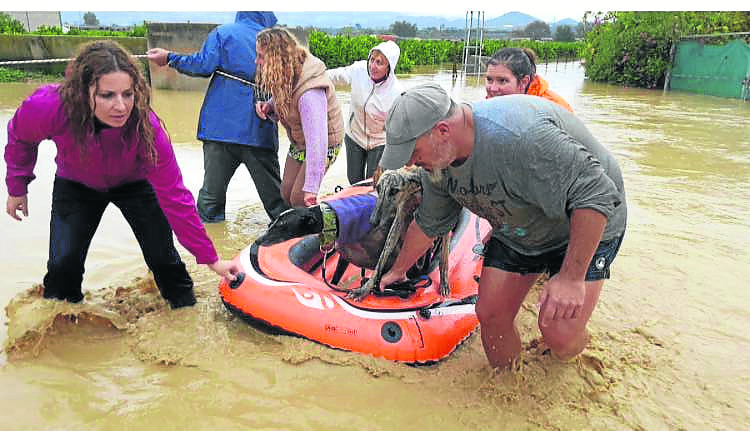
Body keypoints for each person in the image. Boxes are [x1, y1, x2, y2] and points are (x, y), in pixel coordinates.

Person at [377, 83, 627, 369]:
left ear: (443, 131)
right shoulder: (437, 165)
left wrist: (570, 279)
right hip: (519, 225)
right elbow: (430, 223)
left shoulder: (521, 136)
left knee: (559, 334)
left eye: (413, 151)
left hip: (585, 220)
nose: (410, 162)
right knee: (491, 314)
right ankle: (508, 390)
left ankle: (574, 364)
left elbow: (597, 194)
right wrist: (396, 270)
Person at [4, 40, 239, 309]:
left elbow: (175, 197)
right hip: (77, 184)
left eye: (128, 94)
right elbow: (20, 138)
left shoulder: (147, 129)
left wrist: (211, 259)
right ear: (82, 91)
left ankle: (185, 313)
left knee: (163, 258)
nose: (121, 106)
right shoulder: (48, 107)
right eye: (107, 95)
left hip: (135, 184)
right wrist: (17, 186)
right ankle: (62, 331)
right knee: (62, 267)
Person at [146, 11, 287, 223]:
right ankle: (297, 244)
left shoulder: (223, 33)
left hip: (218, 129)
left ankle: (210, 251)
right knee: (277, 202)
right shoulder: (277, 41)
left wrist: (169, 58)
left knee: (210, 201)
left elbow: (202, 65)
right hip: (258, 130)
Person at [254, 27, 344, 208]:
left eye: (261, 56)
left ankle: (314, 231)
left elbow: (318, 144)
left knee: (299, 198)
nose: (256, 61)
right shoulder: (285, 71)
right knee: (286, 192)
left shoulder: (310, 95)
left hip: (324, 144)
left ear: (275, 59)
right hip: (301, 140)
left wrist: (311, 189)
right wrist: (270, 105)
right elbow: (287, 94)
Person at [326, 40, 403, 185]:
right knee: (354, 180)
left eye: (379, 63)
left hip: (379, 141)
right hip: (354, 136)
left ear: (389, 67)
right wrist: (314, 76)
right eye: (372, 60)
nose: (373, 66)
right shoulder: (359, 70)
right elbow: (336, 76)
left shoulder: (397, 93)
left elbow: (400, 129)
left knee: (372, 183)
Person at [485, 47, 573, 112]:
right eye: (489, 80)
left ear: (524, 82)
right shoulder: (491, 103)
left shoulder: (553, 108)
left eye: (502, 81)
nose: (493, 88)